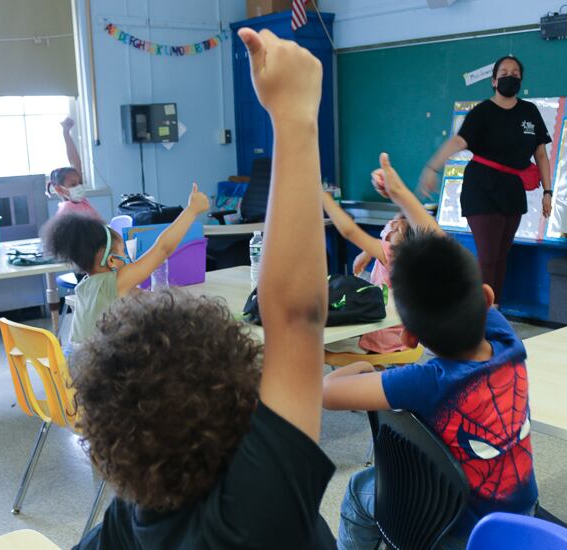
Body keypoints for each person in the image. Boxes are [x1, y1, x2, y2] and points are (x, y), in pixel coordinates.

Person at [71, 28, 336, 549]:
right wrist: (295, 117)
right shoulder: (258, 514)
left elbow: (293, 320)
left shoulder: (135, 518)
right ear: (242, 395)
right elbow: (293, 316)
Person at [323, 152, 539, 549]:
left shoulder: (426, 380)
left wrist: (360, 367)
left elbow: (325, 393)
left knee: (357, 491)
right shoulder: (507, 338)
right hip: (527, 516)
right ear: (487, 297)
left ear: (407, 338)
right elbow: (447, 251)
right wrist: (403, 194)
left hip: (460, 535)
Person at [418, 55, 553, 305]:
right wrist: (432, 168)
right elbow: (458, 142)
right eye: (504, 72)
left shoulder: (529, 112)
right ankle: (480, 314)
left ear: (521, 79)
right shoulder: (482, 112)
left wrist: (548, 192)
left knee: (501, 256)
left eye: (515, 73)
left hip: (512, 191)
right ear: (493, 80)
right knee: (488, 256)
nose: (509, 76)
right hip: (482, 189)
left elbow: (541, 153)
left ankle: (494, 310)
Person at [41, 183, 209, 352]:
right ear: (112, 261)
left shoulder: (85, 286)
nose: (127, 257)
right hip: (96, 366)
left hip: (76, 362)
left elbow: (133, 297)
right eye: (124, 251)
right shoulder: (115, 282)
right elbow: (163, 248)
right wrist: (192, 210)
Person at [322, 191, 412, 354]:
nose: (388, 225)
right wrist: (369, 252)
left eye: (391, 222)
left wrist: (325, 198)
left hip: (380, 337)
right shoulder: (415, 257)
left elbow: (350, 232)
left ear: (396, 226)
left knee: (324, 343)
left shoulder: (391, 252)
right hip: (402, 336)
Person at [47, 118, 101, 219]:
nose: (79, 187)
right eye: (73, 185)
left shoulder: (82, 201)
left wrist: (66, 133)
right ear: (59, 189)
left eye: (79, 183)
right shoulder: (66, 212)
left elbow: (76, 162)